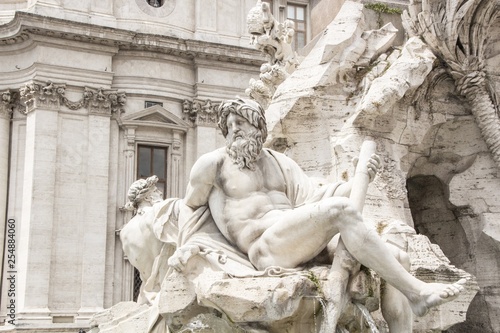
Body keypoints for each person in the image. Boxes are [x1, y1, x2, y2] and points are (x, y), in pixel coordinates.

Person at [176, 97, 465, 318]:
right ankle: (417, 292)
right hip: (264, 249)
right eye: (229, 125)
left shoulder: (280, 162)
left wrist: (361, 179)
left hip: (296, 240)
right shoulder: (212, 164)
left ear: (258, 126)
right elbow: (189, 208)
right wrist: (196, 250)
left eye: (241, 122)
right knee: (340, 210)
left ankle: (410, 308)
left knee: (397, 256)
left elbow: (318, 197)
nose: (234, 129)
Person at [121, 175, 180, 305]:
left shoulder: (125, 231)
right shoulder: (159, 214)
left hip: (145, 297)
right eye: (155, 191)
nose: (160, 192)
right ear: (147, 197)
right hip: (169, 292)